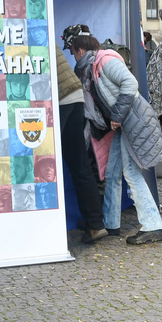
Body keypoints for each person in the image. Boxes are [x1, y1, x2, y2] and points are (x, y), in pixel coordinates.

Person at [64, 24, 162, 245]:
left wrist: (117, 117)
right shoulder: (93, 64)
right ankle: (110, 224)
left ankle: (153, 225)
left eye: (72, 51)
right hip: (125, 124)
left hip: (132, 121)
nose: (72, 56)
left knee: (131, 173)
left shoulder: (105, 60)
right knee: (112, 173)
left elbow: (130, 84)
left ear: (79, 49)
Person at [55, 40, 107, 243]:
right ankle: (95, 224)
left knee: (47, 161)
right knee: (80, 165)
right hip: (74, 95)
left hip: (60, 97)